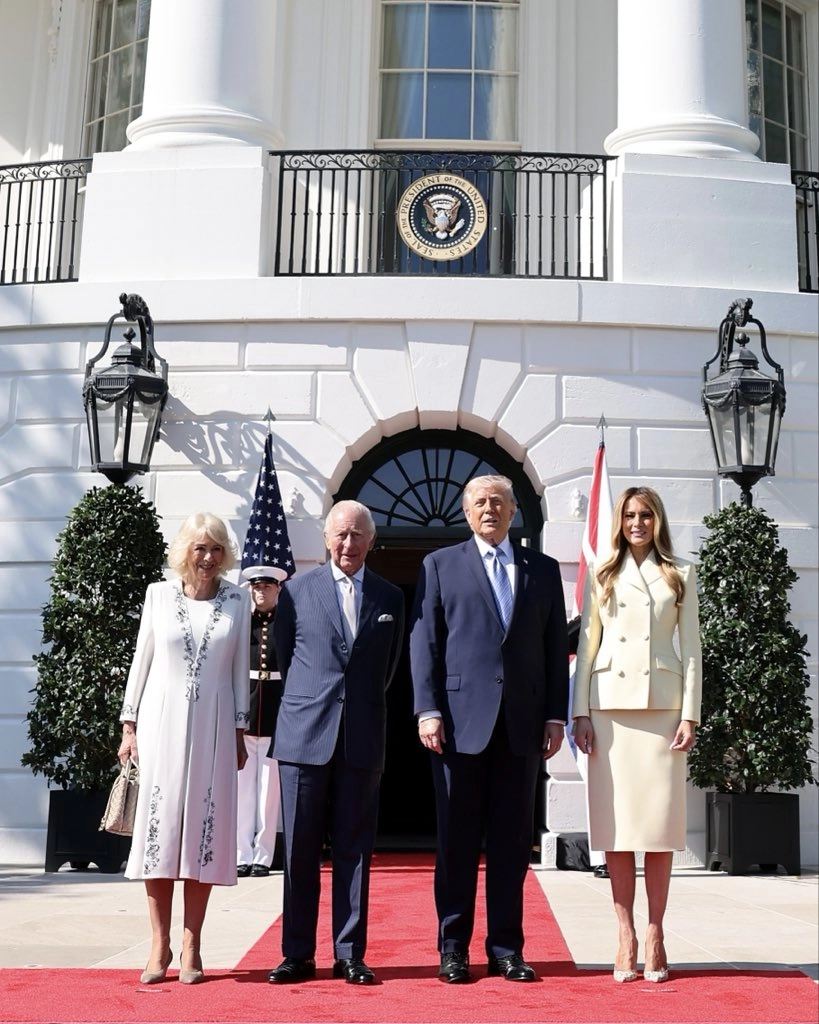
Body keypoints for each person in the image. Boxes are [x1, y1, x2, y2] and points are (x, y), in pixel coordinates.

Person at [409, 475, 569, 984]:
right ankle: (453, 948)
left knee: (512, 845)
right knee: (457, 843)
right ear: (466, 511)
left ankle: (506, 949)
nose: (489, 509)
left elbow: (554, 648)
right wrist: (427, 708)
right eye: (480, 502)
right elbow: (425, 642)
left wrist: (555, 715)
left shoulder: (543, 569)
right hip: (458, 726)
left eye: (499, 502)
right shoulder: (440, 565)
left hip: (522, 726)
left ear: (514, 511)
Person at [268, 500, 404, 986]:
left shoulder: (390, 597)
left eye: (358, 534)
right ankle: (297, 954)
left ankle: (349, 954)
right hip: (304, 738)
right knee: (298, 851)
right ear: (326, 539)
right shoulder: (296, 592)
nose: (349, 544)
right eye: (341, 534)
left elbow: (388, 669)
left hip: (361, 740)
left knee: (355, 851)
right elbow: (285, 658)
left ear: (372, 540)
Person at [571, 486, 702, 984]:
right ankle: (624, 932)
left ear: (657, 520)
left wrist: (690, 715)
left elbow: (692, 650)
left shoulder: (681, 572)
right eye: (629, 515)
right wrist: (579, 712)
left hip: (663, 709)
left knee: (659, 827)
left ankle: (655, 931)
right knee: (618, 826)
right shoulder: (603, 572)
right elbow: (587, 647)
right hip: (609, 710)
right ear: (620, 521)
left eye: (646, 514)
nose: (637, 522)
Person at [118, 513, 251, 986]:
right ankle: (159, 944)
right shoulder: (158, 594)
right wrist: (128, 725)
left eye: (216, 548)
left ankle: (192, 944)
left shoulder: (237, 600)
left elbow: (239, 670)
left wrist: (239, 729)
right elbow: (142, 659)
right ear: (184, 552)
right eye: (200, 548)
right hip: (160, 724)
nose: (209, 557)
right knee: (160, 829)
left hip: (215, 726)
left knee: (203, 832)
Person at [236, 564, 289, 878]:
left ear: (277, 589)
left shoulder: (286, 623)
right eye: (256, 587)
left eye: (267, 587)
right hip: (246, 712)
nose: (261, 592)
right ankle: (241, 854)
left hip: (275, 714)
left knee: (269, 792)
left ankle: (263, 857)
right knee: (243, 790)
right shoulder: (242, 622)